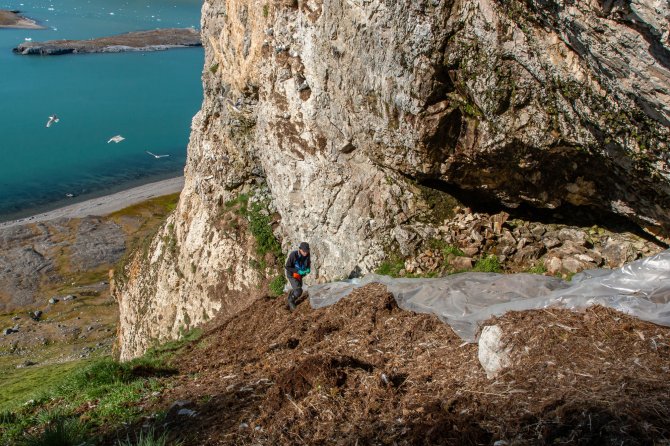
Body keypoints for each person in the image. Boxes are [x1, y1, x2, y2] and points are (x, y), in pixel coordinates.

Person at [285, 242, 311, 311]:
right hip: (292, 274)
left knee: (299, 290)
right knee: (298, 290)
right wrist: (297, 271)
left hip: (299, 275)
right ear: (300, 249)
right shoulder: (293, 255)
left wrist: (308, 268)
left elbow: (308, 263)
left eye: (307, 251)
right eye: (304, 251)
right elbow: (287, 267)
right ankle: (291, 301)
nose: (305, 253)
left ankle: (292, 295)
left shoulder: (307, 254)